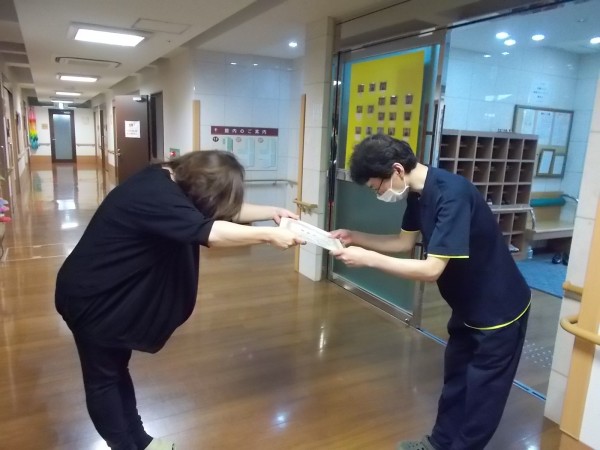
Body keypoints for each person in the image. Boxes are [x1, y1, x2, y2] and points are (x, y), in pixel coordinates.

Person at [55, 150, 304, 450]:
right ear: (204, 190)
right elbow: (208, 231)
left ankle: (140, 441)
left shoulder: (170, 179)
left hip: (110, 293)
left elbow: (221, 210)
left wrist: (272, 212)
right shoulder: (157, 196)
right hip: (93, 298)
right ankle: (124, 446)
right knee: (104, 379)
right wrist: (268, 236)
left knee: (116, 371)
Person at [330, 134, 531, 450]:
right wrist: (354, 237)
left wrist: (367, 259)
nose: (378, 193)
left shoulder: (453, 194)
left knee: (482, 397)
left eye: (376, 187)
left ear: (397, 170)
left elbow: (431, 269)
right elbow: (403, 243)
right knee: (456, 382)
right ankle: (437, 444)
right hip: (466, 305)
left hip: (499, 310)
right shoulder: (417, 194)